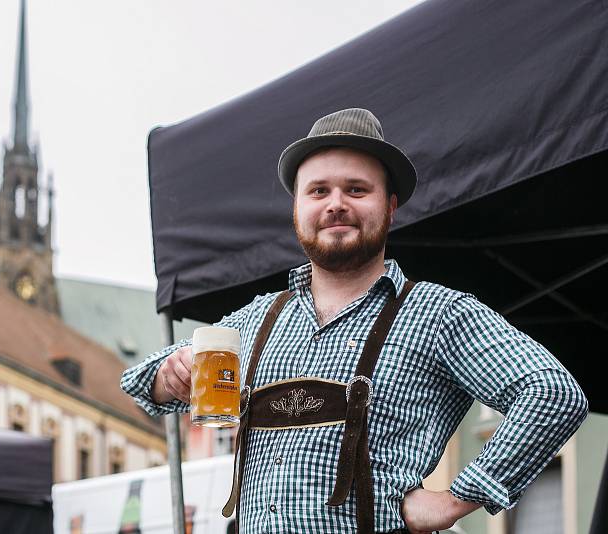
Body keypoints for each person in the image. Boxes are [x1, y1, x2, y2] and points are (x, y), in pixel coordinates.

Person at [120, 108, 588, 533]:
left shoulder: (439, 313)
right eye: (318, 191)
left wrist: (458, 498)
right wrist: (170, 374)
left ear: (389, 206)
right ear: (297, 210)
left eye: (356, 190)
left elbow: (552, 394)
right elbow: (141, 381)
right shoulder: (260, 317)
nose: (335, 204)